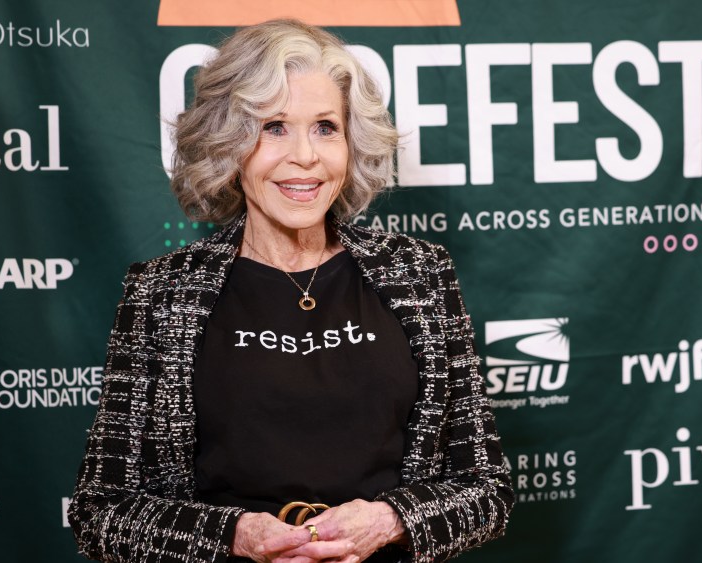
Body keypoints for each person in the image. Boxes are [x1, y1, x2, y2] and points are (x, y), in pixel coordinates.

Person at [68, 19, 513, 563]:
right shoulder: (162, 293)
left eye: (325, 127)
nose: (305, 155)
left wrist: (387, 521)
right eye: (274, 127)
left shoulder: (420, 273)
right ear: (230, 143)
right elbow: (100, 510)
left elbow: (486, 489)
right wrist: (235, 536)